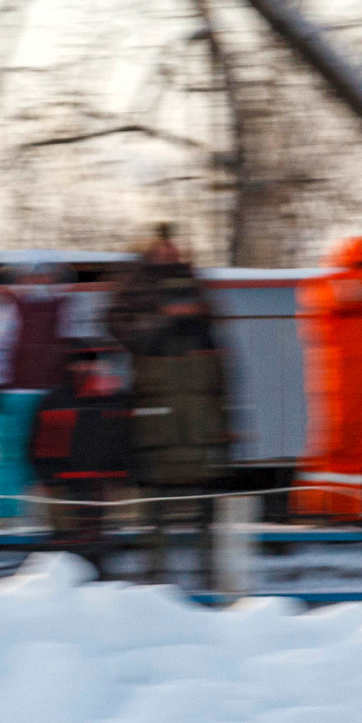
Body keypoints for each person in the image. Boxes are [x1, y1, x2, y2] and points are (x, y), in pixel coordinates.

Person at [108, 232, 233, 584]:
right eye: (176, 301)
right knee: (155, 518)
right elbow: (140, 395)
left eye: (188, 301)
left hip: (200, 439)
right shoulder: (148, 341)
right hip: (162, 442)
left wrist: (225, 437)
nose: (183, 307)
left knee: (206, 518)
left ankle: (208, 575)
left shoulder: (208, 340)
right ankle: (155, 579)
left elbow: (223, 391)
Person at [292, 235, 362, 521]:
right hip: (340, 391)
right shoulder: (333, 291)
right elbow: (313, 297)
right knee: (335, 452)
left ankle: (356, 510)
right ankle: (317, 508)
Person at [0, 258, 79, 522]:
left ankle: (51, 517)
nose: (38, 282)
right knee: (11, 456)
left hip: (53, 396)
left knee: (53, 457)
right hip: (14, 395)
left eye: (44, 276)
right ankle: (1, 517)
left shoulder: (65, 307)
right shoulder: (4, 307)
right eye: (30, 276)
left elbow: (76, 349)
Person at [27, 344, 133, 574]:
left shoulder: (111, 398)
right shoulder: (55, 401)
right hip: (64, 488)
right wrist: (49, 482)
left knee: (95, 542)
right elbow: (40, 449)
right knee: (67, 544)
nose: (85, 367)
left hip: (99, 486)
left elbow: (123, 440)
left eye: (90, 362)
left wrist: (121, 475)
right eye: (80, 362)